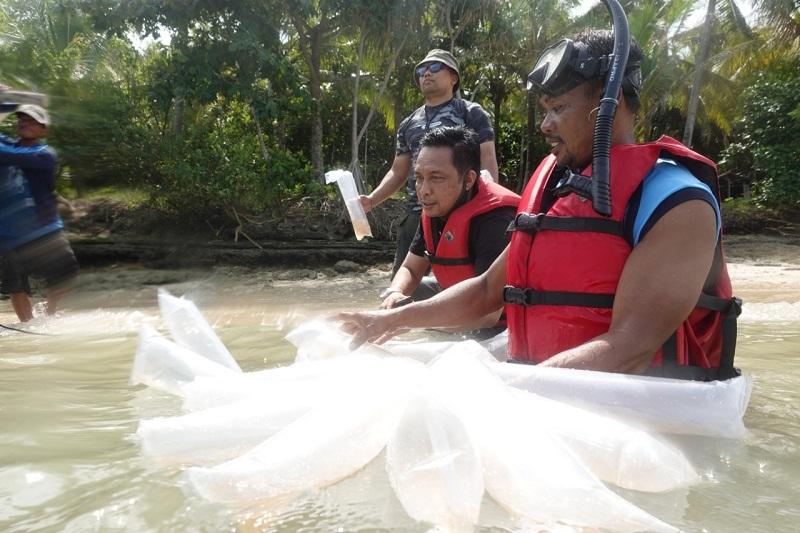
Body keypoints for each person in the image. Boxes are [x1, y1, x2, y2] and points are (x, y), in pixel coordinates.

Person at [339, 30, 741, 380]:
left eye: (558, 109)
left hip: (647, 410)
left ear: (608, 104)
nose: (545, 125)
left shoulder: (675, 201)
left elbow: (630, 347)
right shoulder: (558, 189)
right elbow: (484, 293)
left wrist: (510, 392)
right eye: (546, 110)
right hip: (548, 388)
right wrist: (386, 320)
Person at [359, 49, 499, 279]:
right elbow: (398, 171)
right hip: (418, 213)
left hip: (462, 211)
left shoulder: (471, 112)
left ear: (453, 77)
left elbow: (487, 160)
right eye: (421, 70)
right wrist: (372, 200)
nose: (426, 74)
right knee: (402, 281)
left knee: (465, 281)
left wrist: (486, 206)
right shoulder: (408, 123)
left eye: (435, 67)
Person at [380, 126, 519, 335]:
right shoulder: (436, 208)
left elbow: (488, 315)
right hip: (464, 305)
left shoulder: (496, 220)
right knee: (402, 296)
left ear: (469, 180)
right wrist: (395, 293)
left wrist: (403, 320)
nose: (424, 190)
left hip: (502, 326)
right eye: (419, 177)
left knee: (403, 311)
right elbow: (411, 268)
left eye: (436, 178)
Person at [0, 101, 79, 321]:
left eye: (32, 121)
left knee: (69, 272)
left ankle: (50, 310)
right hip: (8, 235)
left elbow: (9, 156)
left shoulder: (45, 155)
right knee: (16, 284)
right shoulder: (7, 145)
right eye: (22, 120)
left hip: (45, 229)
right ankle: (28, 326)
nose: (25, 123)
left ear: (44, 129)